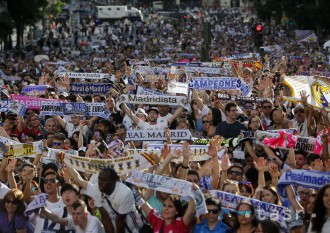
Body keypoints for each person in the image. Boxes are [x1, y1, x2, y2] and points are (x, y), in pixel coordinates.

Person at [40, 200, 105, 233]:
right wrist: (43, 209)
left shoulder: (93, 222)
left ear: (86, 215)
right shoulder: (73, 219)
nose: (75, 217)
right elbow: (57, 219)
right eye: (73, 213)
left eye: (79, 214)